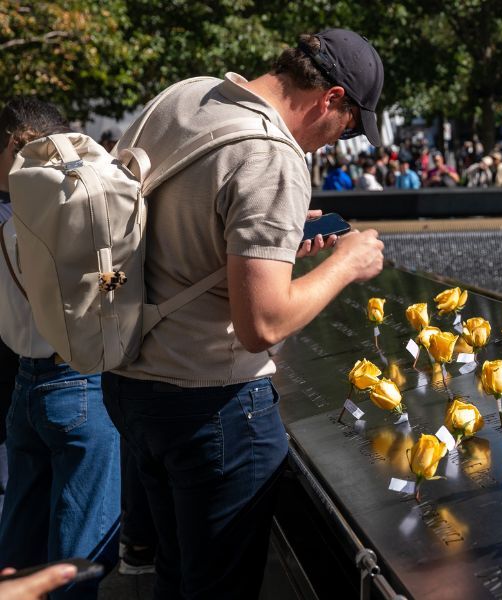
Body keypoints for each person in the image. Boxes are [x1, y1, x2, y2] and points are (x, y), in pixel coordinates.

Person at [107, 29, 386, 598]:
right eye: (352, 124)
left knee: (176, 573)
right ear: (331, 98)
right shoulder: (273, 156)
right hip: (211, 408)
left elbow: (174, 225)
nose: (341, 141)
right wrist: (346, 264)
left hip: (131, 381)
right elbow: (263, 325)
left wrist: (273, 238)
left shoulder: (188, 96)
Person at [0, 97, 121, 599]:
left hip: (25, 384)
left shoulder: (10, 218)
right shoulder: (80, 214)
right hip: (80, 383)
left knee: (18, 560)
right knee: (79, 558)